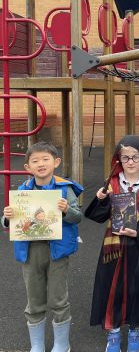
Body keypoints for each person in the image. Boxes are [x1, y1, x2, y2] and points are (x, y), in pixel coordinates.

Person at [2, 142, 83, 352]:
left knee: (58, 298)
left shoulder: (65, 190)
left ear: (56, 162)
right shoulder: (22, 192)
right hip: (30, 253)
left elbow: (77, 217)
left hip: (57, 252)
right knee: (34, 299)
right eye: (35, 161)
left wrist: (66, 211)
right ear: (27, 166)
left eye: (45, 159)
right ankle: (36, 344)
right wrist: (7, 218)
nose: (40, 164)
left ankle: (62, 343)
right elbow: (8, 221)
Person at [85, 135, 139, 352]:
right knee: (112, 290)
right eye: (125, 157)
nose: (130, 162)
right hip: (113, 246)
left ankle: (135, 330)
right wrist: (101, 199)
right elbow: (98, 216)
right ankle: (113, 331)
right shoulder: (111, 183)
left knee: (138, 289)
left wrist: (138, 231)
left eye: (135, 157)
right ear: (118, 159)